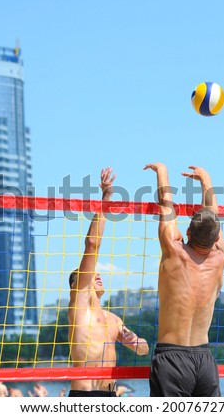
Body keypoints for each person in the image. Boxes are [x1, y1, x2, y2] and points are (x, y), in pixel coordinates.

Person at [144, 164, 224, 397]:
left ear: (188, 232)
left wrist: (161, 171)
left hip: (172, 360)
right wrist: (207, 180)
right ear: (216, 238)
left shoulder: (174, 251)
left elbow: (166, 205)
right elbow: (213, 219)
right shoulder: (221, 258)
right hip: (204, 361)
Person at [67, 167, 150, 397]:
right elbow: (92, 244)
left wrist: (136, 341)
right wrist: (106, 199)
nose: (97, 275)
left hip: (111, 397)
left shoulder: (114, 320)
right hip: (84, 397)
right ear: (78, 286)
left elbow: (143, 350)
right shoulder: (79, 306)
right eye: (90, 275)